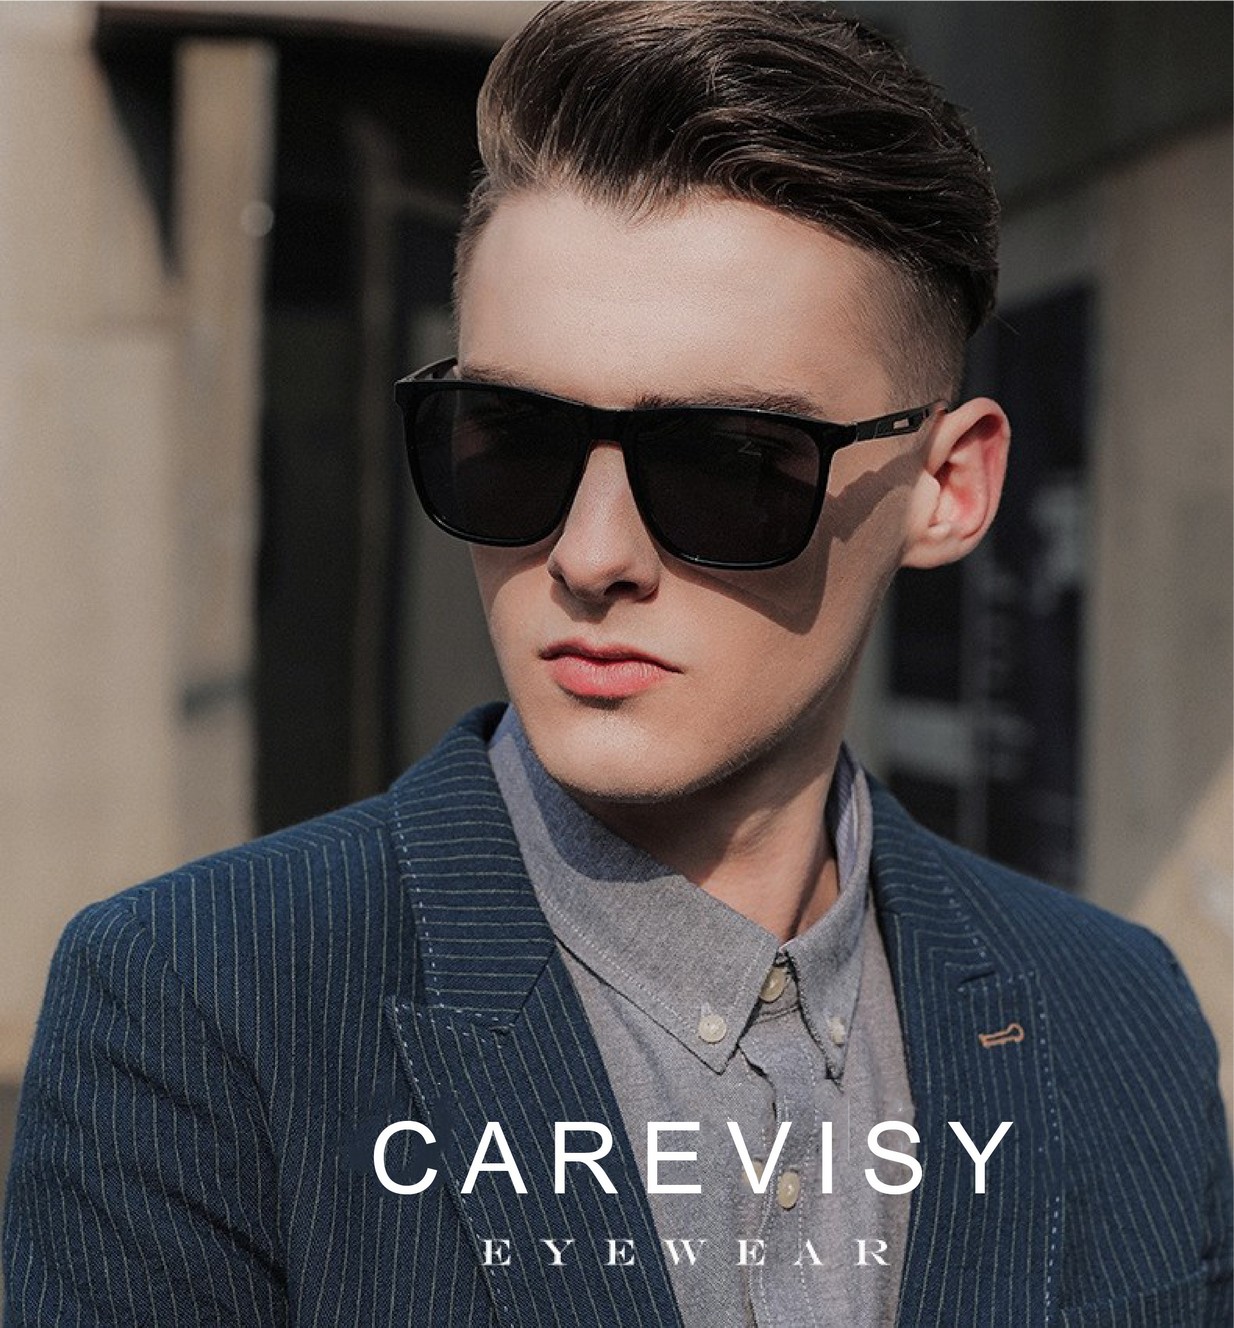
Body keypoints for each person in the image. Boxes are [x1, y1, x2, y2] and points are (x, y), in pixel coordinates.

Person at [4, 3, 1230, 1325]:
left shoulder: (1118, 1014)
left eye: (728, 463)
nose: (591, 556)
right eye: (509, 438)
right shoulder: (198, 1001)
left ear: (947, 488)